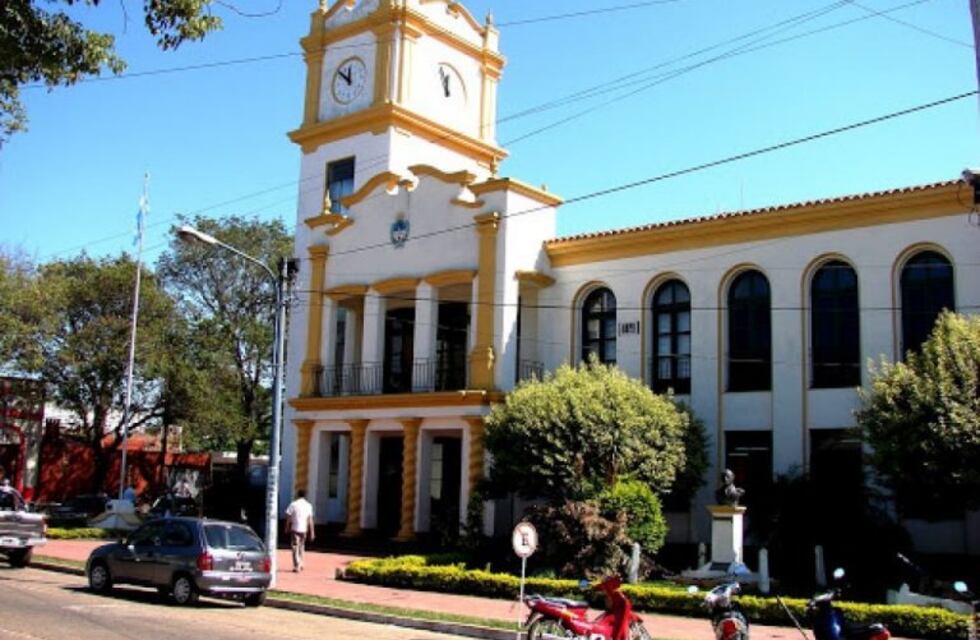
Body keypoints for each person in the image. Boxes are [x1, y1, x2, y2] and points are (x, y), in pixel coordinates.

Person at [284, 490, 315, 572]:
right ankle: (301, 563)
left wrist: (287, 527)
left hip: (295, 527)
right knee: (302, 546)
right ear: (305, 495)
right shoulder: (308, 505)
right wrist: (312, 532)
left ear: (297, 495)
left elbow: (288, 517)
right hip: (304, 529)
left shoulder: (293, 504)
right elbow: (310, 519)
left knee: (295, 547)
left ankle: (297, 564)